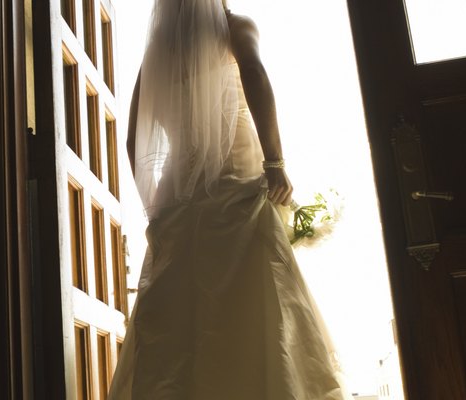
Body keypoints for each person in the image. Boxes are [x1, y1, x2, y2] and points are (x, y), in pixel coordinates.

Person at [108, 0, 352, 398]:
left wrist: (158, 204)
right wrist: (275, 161)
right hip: (236, 174)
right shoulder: (235, 27)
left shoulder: (158, 51)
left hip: (179, 194)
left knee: (180, 313)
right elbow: (254, 73)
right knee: (258, 293)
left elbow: (134, 136)